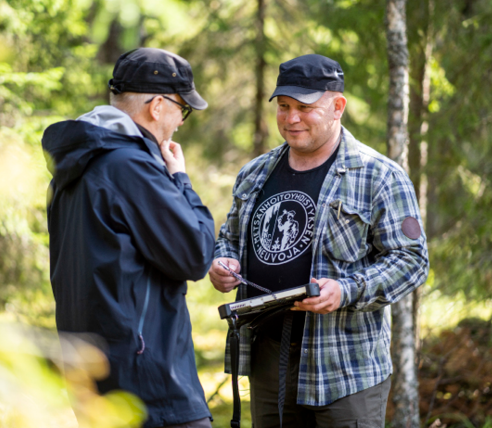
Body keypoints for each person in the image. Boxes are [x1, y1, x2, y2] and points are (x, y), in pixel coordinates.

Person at [209, 54, 429, 427]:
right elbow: (228, 238)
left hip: (344, 366)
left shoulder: (380, 176)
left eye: (304, 108)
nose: (291, 118)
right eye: (283, 107)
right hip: (267, 359)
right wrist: (223, 264)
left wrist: (346, 290)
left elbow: (411, 261)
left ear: (337, 106)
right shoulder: (254, 173)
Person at [43, 48, 215, 428]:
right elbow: (197, 254)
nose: (180, 122)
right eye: (181, 109)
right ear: (157, 106)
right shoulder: (129, 167)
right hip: (151, 385)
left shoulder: (73, 167)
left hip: (94, 379)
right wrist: (180, 180)